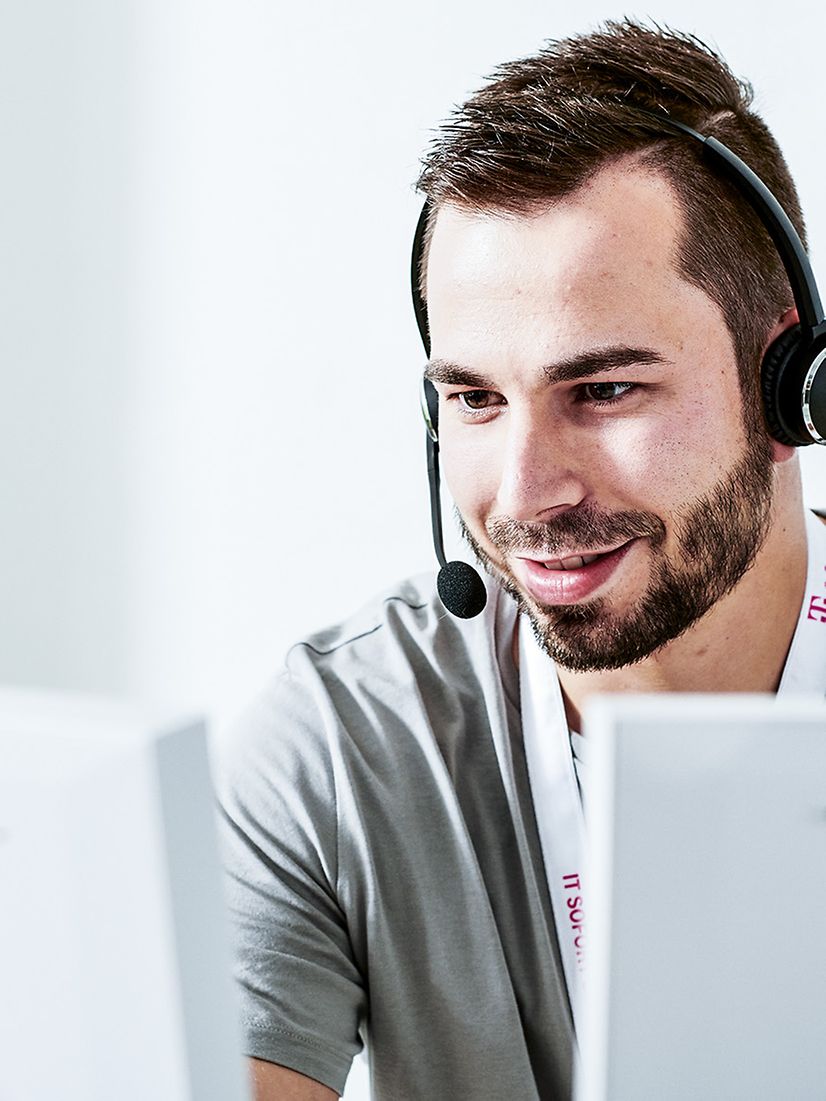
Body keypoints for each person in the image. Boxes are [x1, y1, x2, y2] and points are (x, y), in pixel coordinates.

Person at [216, 20, 826, 1101]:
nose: (524, 491)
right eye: (476, 400)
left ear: (792, 386)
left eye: (602, 390)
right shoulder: (345, 743)